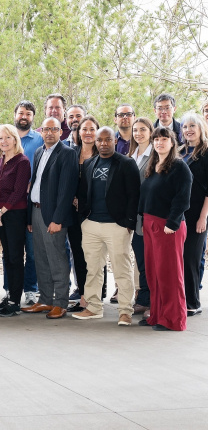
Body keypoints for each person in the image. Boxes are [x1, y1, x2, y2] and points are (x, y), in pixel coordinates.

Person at [73, 128, 140, 326]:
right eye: (99, 140)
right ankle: (93, 308)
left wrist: (128, 223)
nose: (103, 143)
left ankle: (125, 311)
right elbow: (83, 194)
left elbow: (134, 195)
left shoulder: (127, 164)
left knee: (122, 269)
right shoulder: (89, 163)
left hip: (116, 226)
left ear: (115, 140)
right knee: (93, 269)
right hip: (91, 224)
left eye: (107, 139)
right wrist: (83, 220)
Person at [21, 117, 78, 320]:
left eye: (54, 129)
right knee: (41, 258)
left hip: (54, 215)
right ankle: (45, 299)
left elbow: (66, 190)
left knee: (57, 259)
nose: (49, 133)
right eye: (46, 129)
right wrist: (29, 217)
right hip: (36, 212)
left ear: (60, 132)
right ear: (41, 131)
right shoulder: (39, 152)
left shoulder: (67, 154)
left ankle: (60, 302)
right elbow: (35, 184)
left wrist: (58, 219)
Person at [138, 127, 192, 331]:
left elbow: (183, 197)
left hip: (168, 226)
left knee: (170, 275)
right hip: (151, 224)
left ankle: (173, 320)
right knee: (154, 273)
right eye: (156, 139)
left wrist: (173, 222)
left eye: (164, 139)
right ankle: (158, 315)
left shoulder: (179, 167)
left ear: (172, 142)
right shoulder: (153, 165)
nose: (159, 143)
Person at [0, 124, 31, 317]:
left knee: (15, 257)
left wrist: (1, 212)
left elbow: (19, 191)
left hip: (14, 214)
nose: (4, 141)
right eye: (0, 138)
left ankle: (15, 301)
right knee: (6, 257)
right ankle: (9, 294)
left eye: (7, 138)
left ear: (15, 139)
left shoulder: (22, 161)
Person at [12, 100, 43, 305]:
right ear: (15, 115)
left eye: (28, 114)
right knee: (12, 250)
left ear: (33, 118)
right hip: (10, 204)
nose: (24, 116)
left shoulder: (40, 139)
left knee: (32, 251)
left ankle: (31, 289)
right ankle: (10, 289)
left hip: (32, 202)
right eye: (21, 113)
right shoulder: (6, 137)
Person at [69, 115, 100, 310]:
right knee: (78, 254)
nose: (88, 133)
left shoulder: (103, 154)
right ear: (78, 133)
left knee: (94, 256)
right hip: (73, 213)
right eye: (84, 129)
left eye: (91, 129)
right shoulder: (71, 153)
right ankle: (83, 296)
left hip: (96, 213)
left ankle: (96, 296)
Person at [179, 112, 208, 317]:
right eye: (185, 126)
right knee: (179, 258)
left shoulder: (206, 152)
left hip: (198, 213)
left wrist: (203, 217)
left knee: (191, 257)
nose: (188, 129)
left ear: (200, 128)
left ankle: (193, 302)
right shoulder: (180, 151)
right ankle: (180, 299)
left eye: (192, 126)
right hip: (179, 213)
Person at [129, 117, 154, 316]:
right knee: (141, 260)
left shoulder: (155, 155)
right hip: (135, 218)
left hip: (150, 216)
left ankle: (151, 300)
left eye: (143, 129)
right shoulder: (132, 155)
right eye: (135, 130)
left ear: (151, 131)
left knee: (150, 261)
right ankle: (144, 298)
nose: (138, 133)